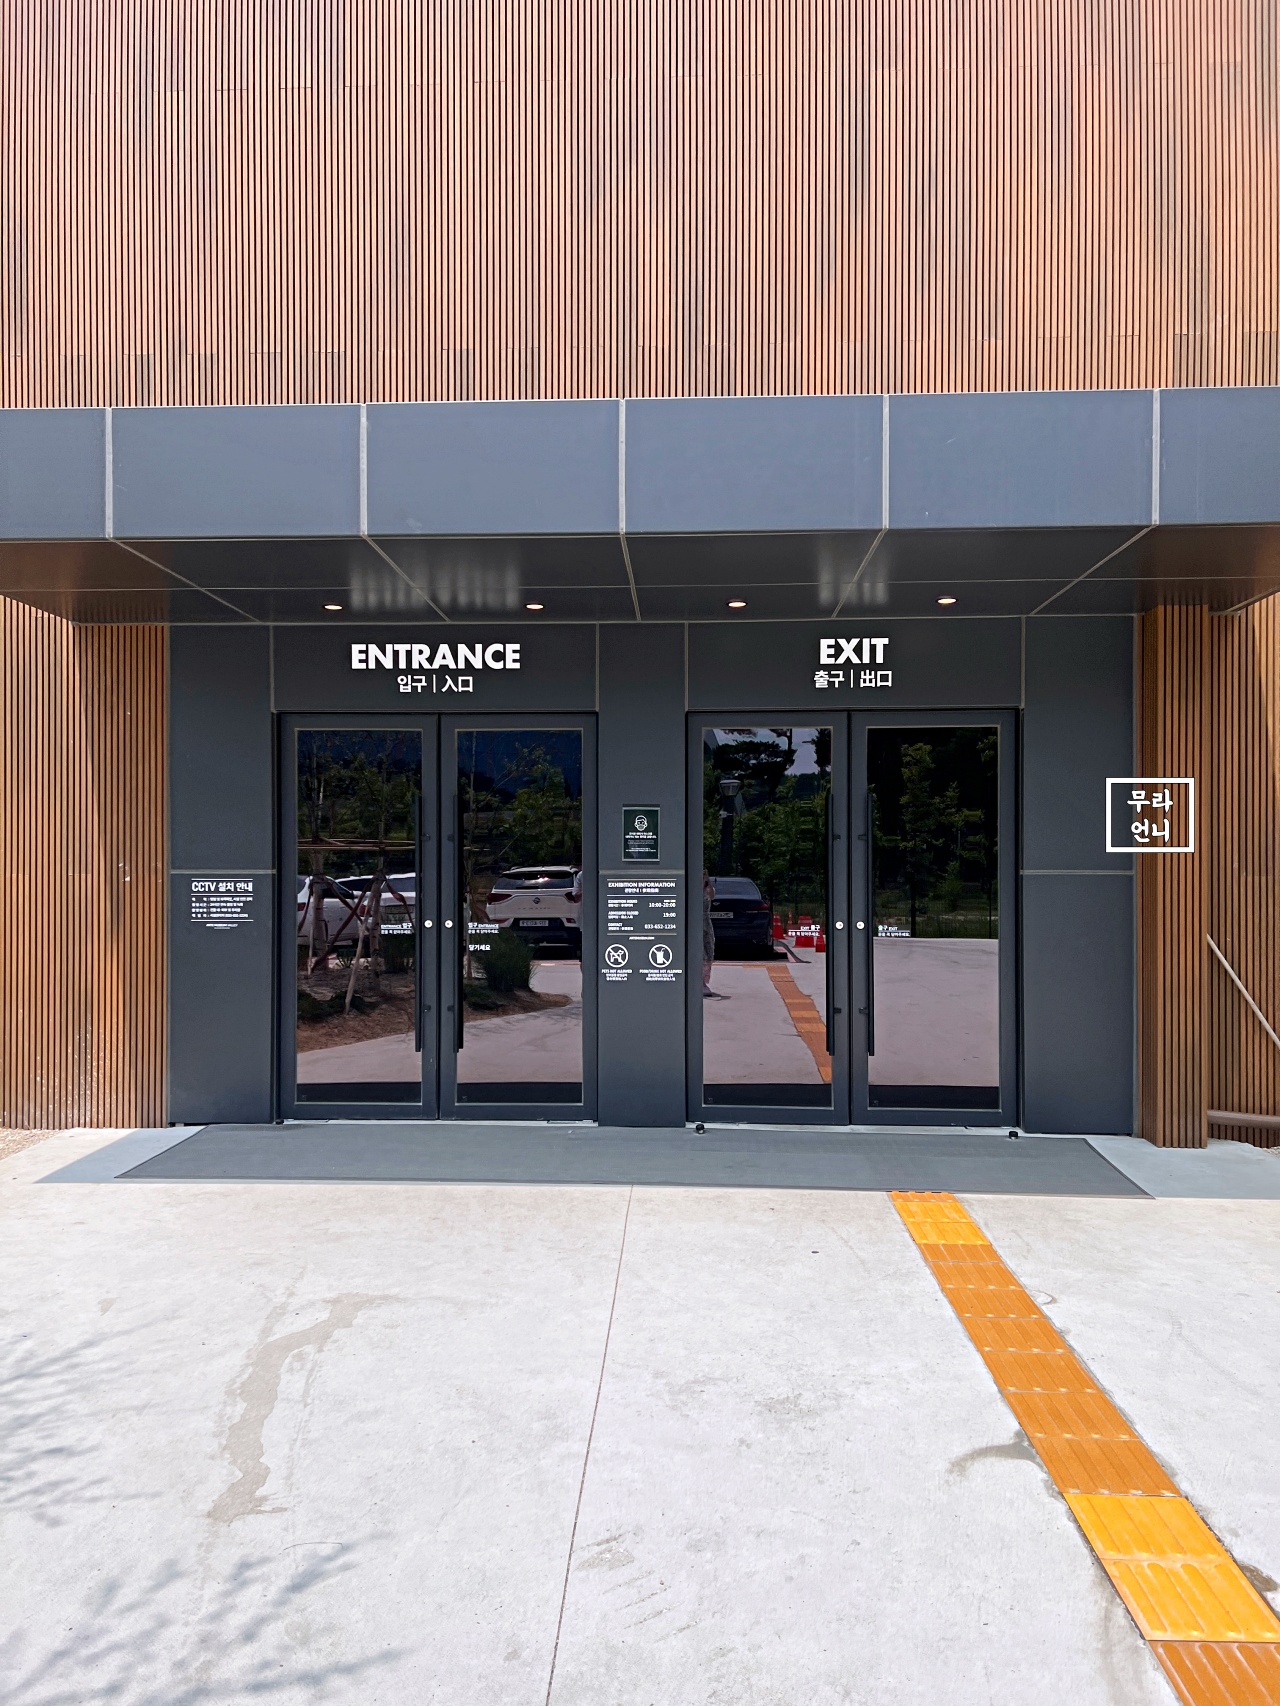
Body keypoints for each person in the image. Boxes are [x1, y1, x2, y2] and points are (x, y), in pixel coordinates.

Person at [702, 872, 725, 998]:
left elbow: (712, 896)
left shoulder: (707, 890)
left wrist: (708, 881)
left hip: (706, 923)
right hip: (695, 923)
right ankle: (699, 982)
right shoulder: (690, 889)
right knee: (700, 954)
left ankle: (704, 981)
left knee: (708, 952)